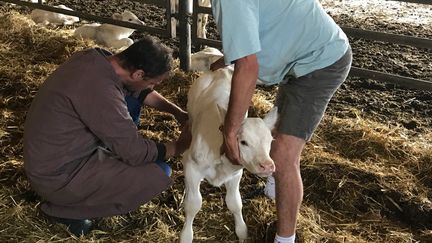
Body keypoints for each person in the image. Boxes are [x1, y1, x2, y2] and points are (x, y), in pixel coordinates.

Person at [209, 1, 352, 243]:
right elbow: (263, 20)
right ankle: (275, 193)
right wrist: (229, 58)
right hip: (300, 55)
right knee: (277, 138)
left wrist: (230, 131)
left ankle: (285, 239)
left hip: (320, 61)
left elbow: (248, 66)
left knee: (284, 155)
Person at [23, 36, 192, 236]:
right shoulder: (100, 89)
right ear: (138, 73)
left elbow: (138, 91)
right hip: (59, 175)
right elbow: (134, 152)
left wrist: (176, 112)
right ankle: (64, 211)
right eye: (153, 82)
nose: (153, 87)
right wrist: (180, 145)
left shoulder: (96, 58)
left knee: (131, 100)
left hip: (50, 155)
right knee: (159, 171)